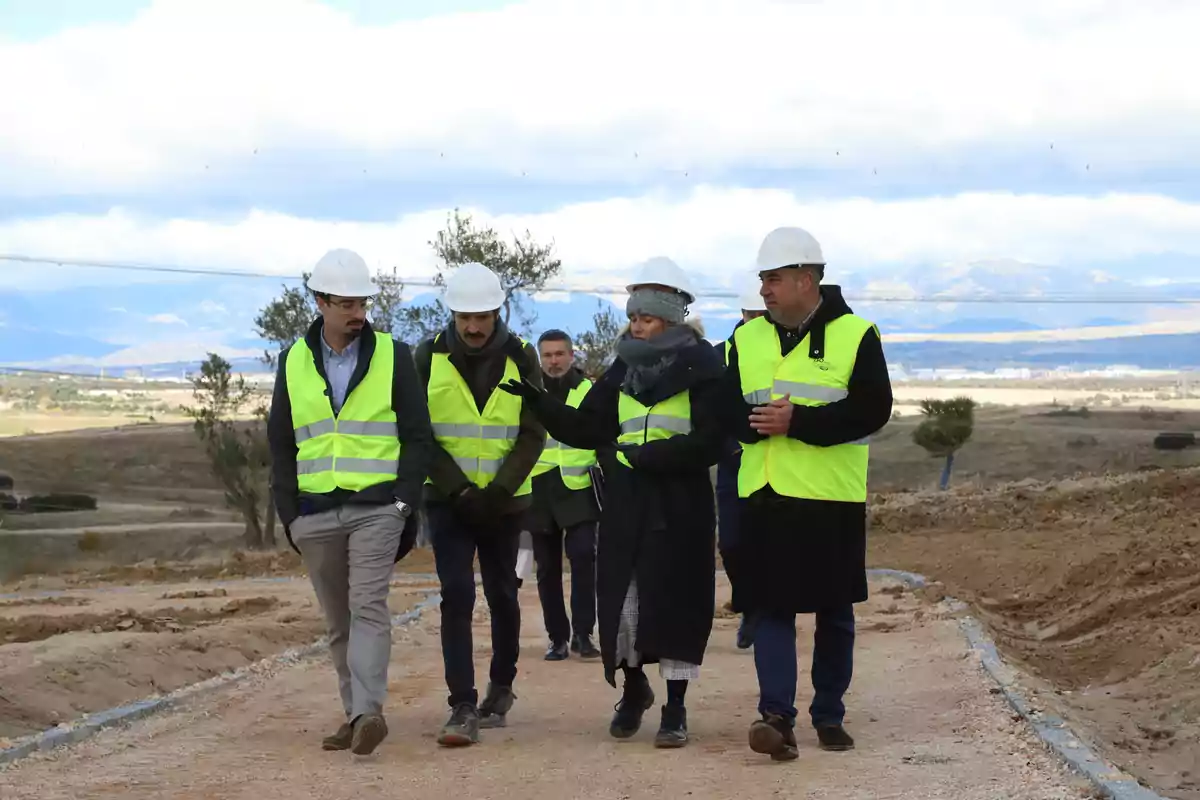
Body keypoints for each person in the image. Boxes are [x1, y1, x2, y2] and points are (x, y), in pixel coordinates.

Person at [500, 256, 724, 749]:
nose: (636, 325)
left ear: (670, 317)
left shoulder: (706, 368)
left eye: (646, 318)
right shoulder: (624, 367)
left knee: (677, 608)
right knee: (622, 605)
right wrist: (537, 400)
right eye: (633, 317)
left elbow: (714, 441)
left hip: (680, 510)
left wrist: (650, 458)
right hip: (625, 508)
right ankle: (634, 688)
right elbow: (587, 427)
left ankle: (676, 708)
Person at [721, 227, 893, 761]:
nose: (765, 290)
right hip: (763, 494)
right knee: (769, 608)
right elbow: (724, 407)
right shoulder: (743, 339)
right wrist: (753, 426)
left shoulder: (857, 335)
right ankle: (776, 717)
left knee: (833, 611)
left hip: (829, 498)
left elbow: (873, 410)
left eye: (773, 279)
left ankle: (829, 714)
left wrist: (798, 422)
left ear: (805, 278)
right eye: (763, 281)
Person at [267, 248, 433, 756]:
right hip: (314, 514)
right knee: (338, 622)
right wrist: (290, 516)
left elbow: (417, 435)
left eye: (362, 302)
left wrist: (405, 502)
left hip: (377, 509)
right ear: (319, 302)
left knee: (368, 607)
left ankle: (369, 712)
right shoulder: (292, 360)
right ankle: (354, 712)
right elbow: (281, 443)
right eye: (345, 304)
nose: (357, 313)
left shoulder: (394, 354)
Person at [414, 262, 545, 747]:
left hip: (504, 504)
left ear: (497, 313)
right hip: (449, 502)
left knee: (502, 594)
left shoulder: (522, 357)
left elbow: (534, 430)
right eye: (464, 317)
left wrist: (498, 491)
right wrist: (459, 490)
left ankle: (502, 686)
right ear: (452, 313)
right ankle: (462, 704)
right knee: (457, 596)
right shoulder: (427, 357)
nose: (472, 327)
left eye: (482, 317)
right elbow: (419, 433)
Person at [527, 329, 602, 662]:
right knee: (547, 568)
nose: (554, 361)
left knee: (584, 557)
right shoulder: (529, 393)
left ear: (572, 356)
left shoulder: (590, 391)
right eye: (548, 355)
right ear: (540, 358)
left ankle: (583, 634)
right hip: (540, 488)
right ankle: (556, 638)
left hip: (579, 487)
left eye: (560, 354)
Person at [714, 283, 768, 650]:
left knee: (769, 544)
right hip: (733, 465)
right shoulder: (719, 357)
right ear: (742, 316)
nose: (756, 322)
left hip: (773, 465)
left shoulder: (783, 355)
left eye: (762, 316)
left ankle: (766, 612)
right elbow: (707, 413)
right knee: (731, 543)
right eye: (751, 316)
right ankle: (748, 601)